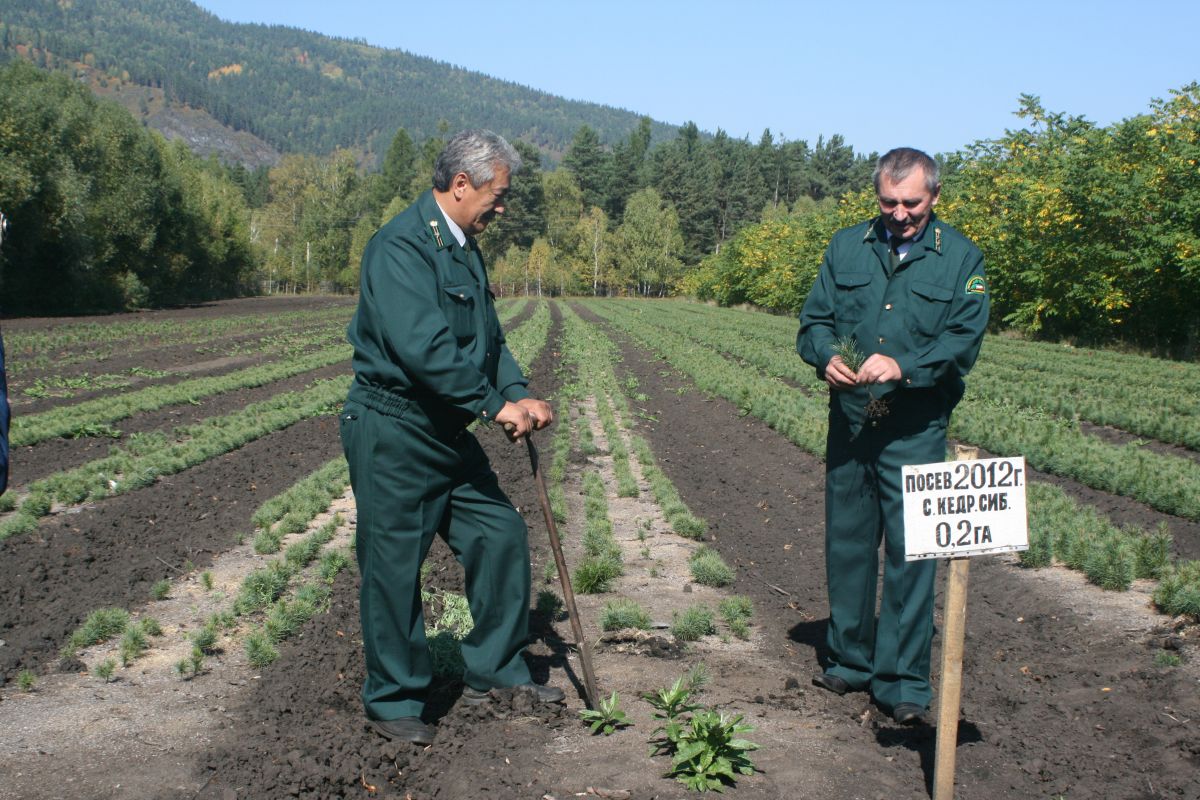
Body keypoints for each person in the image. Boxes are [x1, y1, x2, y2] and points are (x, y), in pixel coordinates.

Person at [340, 129, 562, 746]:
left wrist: (516, 390)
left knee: (499, 532)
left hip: (443, 430)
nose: (503, 206)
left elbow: (485, 341)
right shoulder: (400, 247)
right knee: (392, 568)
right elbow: (427, 350)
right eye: (498, 194)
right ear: (460, 184)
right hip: (394, 427)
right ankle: (394, 700)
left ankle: (496, 668)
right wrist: (495, 408)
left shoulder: (463, 245)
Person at [797, 147, 988, 724]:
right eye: (888, 201)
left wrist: (904, 366)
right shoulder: (845, 246)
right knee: (849, 543)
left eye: (912, 202)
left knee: (912, 553)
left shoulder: (960, 257)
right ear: (876, 195)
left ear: (933, 196)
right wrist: (826, 355)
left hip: (915, 428)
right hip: (852, 423)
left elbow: (963, 339)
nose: (900, 213)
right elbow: (814, 322)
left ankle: (902, 680)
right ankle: (851, 660)